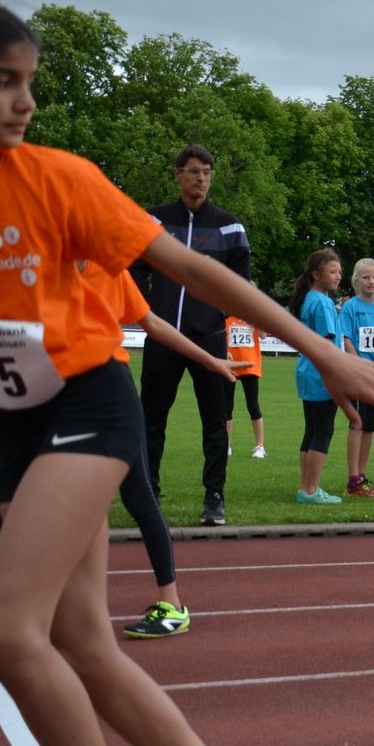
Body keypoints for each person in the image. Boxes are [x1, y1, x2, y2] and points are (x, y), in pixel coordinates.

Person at [0, 0, 374, 746]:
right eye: (0, 81)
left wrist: (321, 350)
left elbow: (199, 273)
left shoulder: (57, 179)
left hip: (86, 408)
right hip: (13, 425)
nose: (24, 102)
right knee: (83, 641)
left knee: (5, 627)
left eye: (29, 82)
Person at [84, 263, 249, 641]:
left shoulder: (105, 271)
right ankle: (74, 609)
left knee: (137, 496)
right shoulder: (40, 269)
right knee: (45, 496)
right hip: (61, 396)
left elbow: (154, 322)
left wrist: (210, 359)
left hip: (110, 390)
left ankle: (171, 603)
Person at [132, 144, 249, 525]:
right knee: (152, 418)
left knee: (215, 422)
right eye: (194, 171)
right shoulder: (154, 220)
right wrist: (150, 308)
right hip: (163, 336)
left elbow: (240, 283)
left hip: (209, 338)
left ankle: (214, 497)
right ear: (178, 174)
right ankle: (149, 492)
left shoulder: (229, 227)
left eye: (207, 173)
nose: (201, 179)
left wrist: (215, 312)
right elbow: (132, 267)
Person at [290, 250, 347, 505]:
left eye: (339, 272)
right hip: (322, 374)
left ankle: (306, 487)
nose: (338, 276)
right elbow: (327, 344)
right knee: (323, 431)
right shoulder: (323, 302)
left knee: (312, 430)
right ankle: (311, 489)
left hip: (307, 371)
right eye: (332, 271)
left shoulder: (309, 298)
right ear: (316, 274)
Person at [338, 258, 374, 498]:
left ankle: (361, 476)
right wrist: (361, 367)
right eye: (366, 277)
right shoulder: (350, 307)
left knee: (369, 425)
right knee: (357, 423)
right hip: (357, 375)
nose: (371, 281)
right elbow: (345, 338)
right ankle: (353, 479)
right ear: (356, 280)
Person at [222, 315, 266, 458]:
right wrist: (224, 352)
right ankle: (226, 445)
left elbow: (263, 336)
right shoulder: (226, 318)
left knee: (253, 406)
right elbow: (219, 338)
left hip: (250, 366)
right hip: (231, 365)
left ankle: (260, 447)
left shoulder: (252, 316)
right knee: (227, 406)